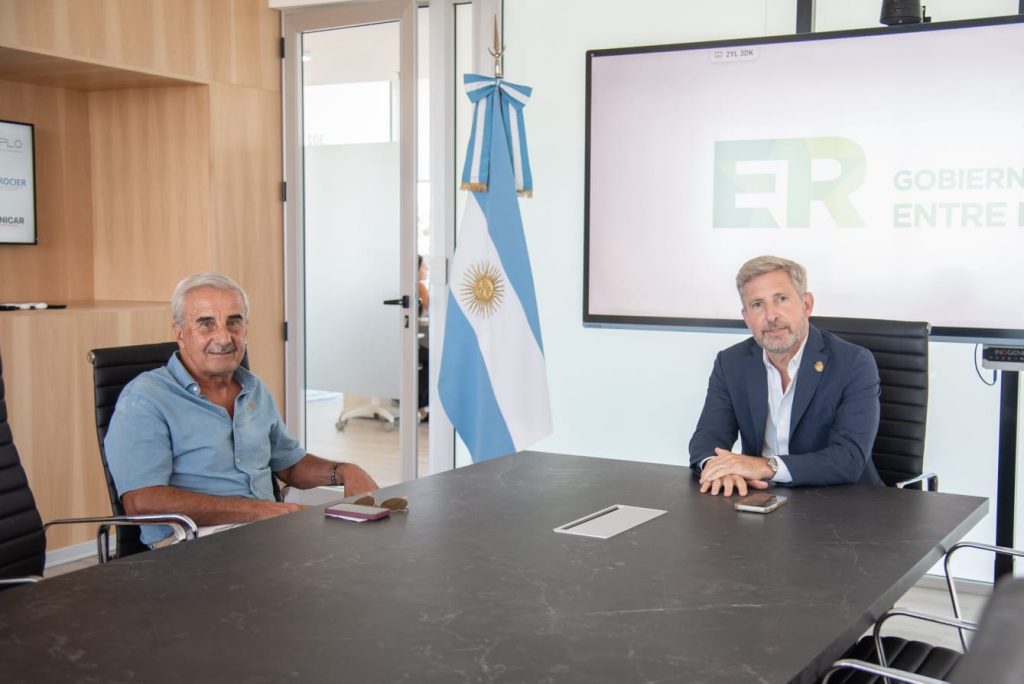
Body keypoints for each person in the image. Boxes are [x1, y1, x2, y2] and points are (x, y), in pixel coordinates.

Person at [105, 272, 380, 546]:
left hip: (264, 532)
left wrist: (345, 471)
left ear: (245, 328)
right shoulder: (145, 399)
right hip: (190, 544)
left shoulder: (253, 388)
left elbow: (289, 464)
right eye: (206, 324)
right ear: (180, 333)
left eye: (233, 322)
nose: (224, 337)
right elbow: (143, 502)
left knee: (369, 543)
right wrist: (260, 511)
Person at [689, 255, 883, 497]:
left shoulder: (854, 363)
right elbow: (708, 436)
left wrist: (766, 467)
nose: (771, 316)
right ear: (746, 317)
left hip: (844, 504)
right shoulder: (730, 363)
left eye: (781, 299)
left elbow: (848, 459)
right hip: (763, 498)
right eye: (757, 305)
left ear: (806, 305)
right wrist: (718, 468)